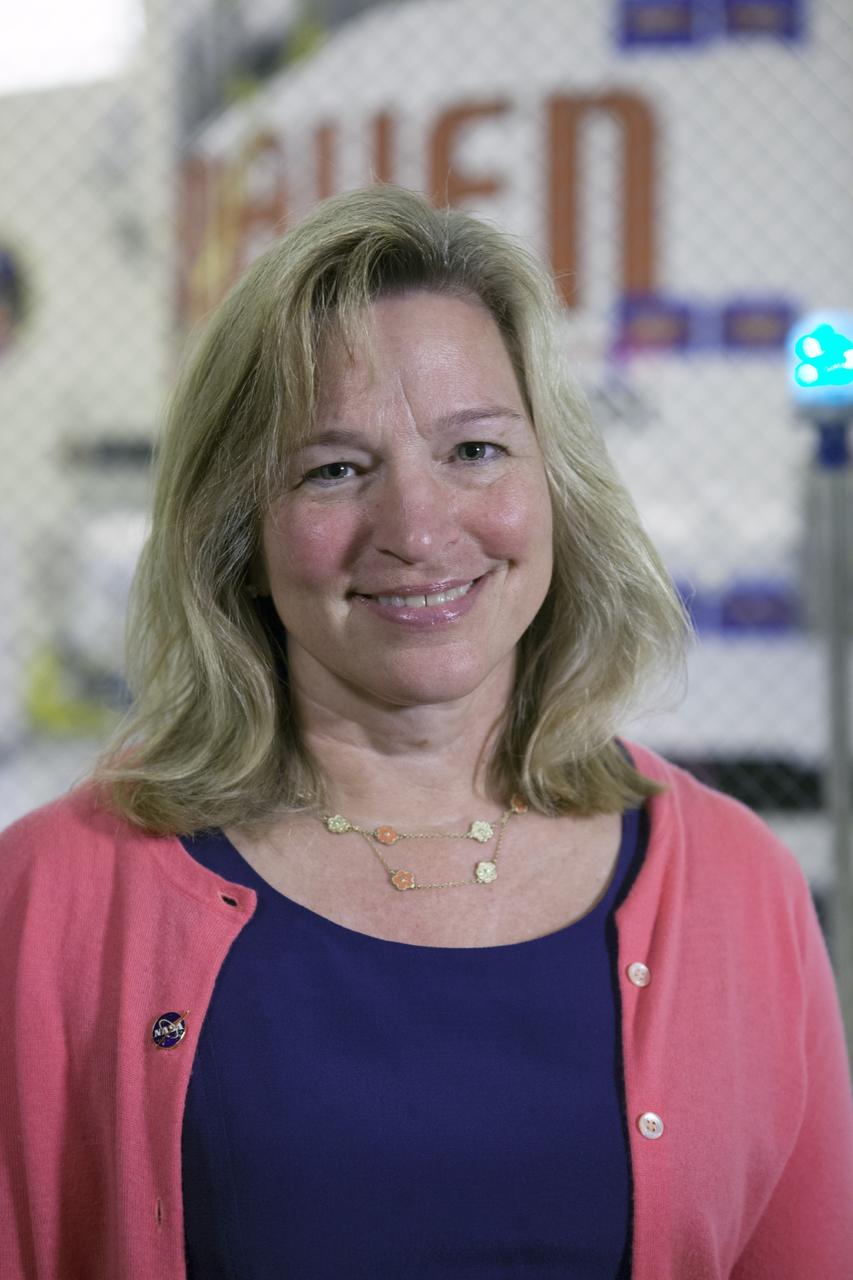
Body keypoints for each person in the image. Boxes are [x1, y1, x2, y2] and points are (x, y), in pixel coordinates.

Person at [1, 184, 851, 1280]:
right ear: (238, 533)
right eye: (335, 468)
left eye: (476, 451)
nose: (416, 527)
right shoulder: (51, 900)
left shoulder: (738, 887)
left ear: (557, 483)